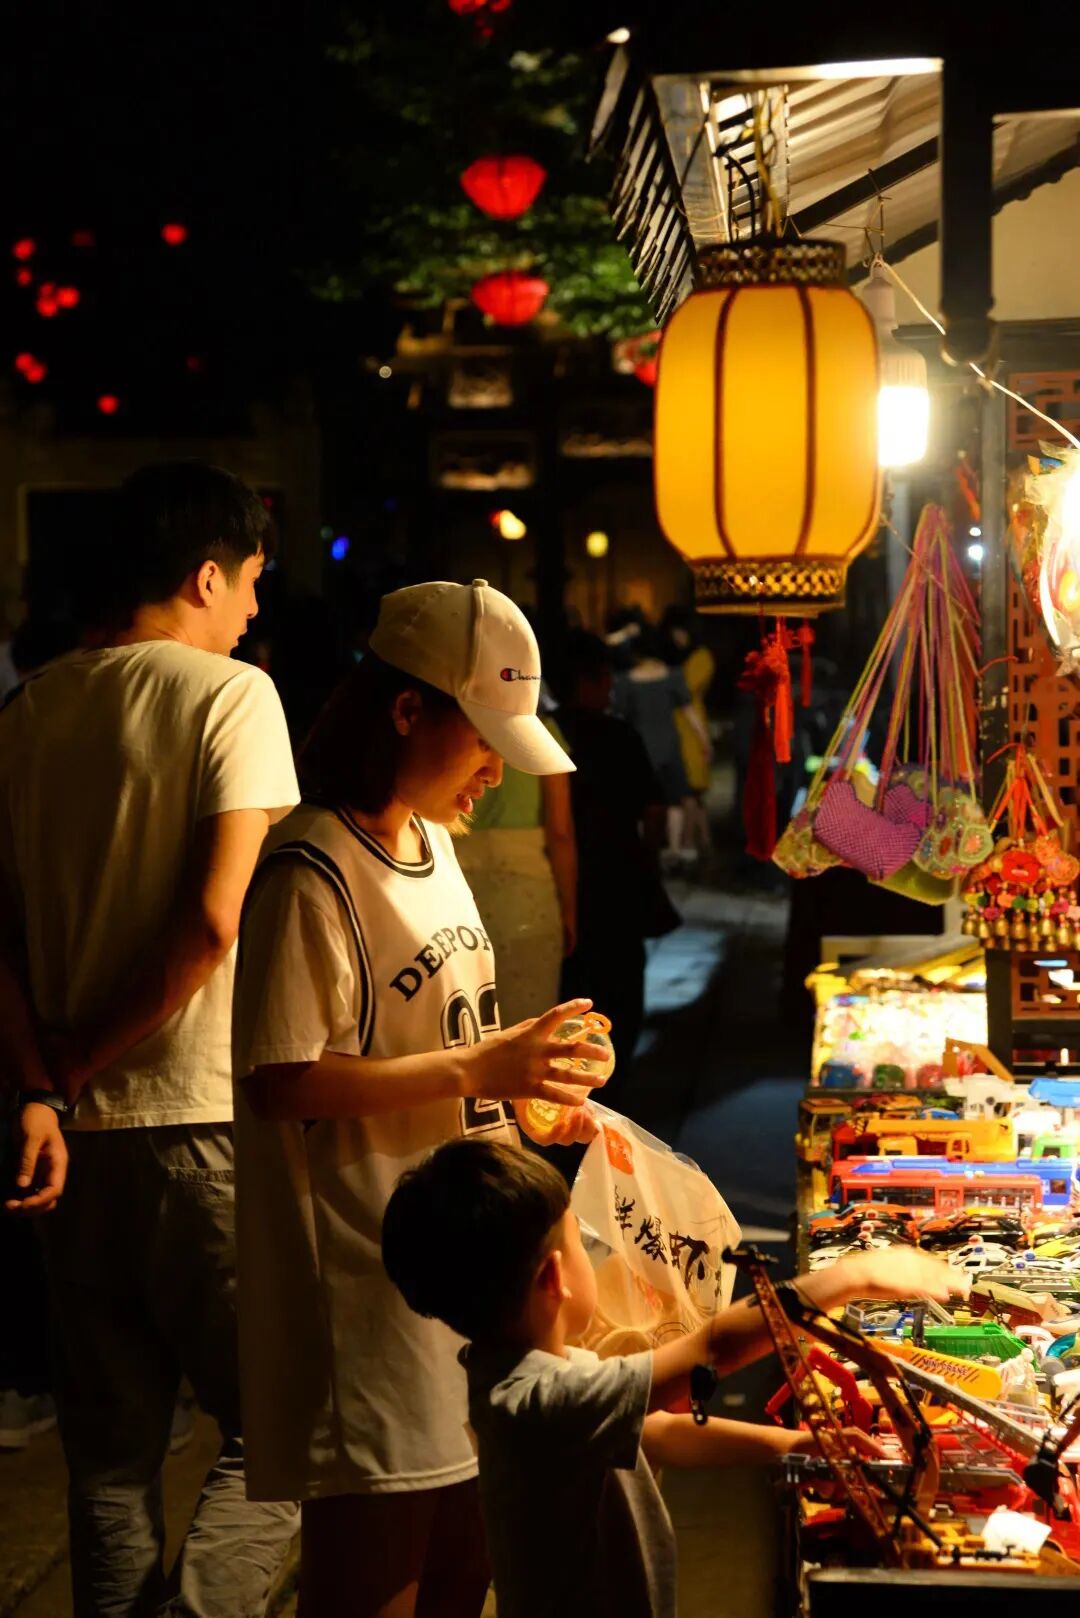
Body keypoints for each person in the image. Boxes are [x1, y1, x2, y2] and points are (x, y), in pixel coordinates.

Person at [231, 578, 606, 1618]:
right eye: (483, 739)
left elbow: (442, 1037)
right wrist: (480, 1070)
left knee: (463, 1572)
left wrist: (528, 1083)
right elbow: (279, 1080)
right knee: (373, 1584)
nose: (496, 769)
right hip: (362, 1286)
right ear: (406, 710)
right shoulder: (310, 868)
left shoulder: (434, 844)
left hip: (462, 1275)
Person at [0, 460, 301, 1617]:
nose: (256, 609)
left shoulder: (30, 709)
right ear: (206, 575)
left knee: (111, 1460)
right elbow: (217, 921)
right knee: (284, 1432)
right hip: (202, 1116)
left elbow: (1, 937)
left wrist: (46, 1086)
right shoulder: (234, 697)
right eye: (253, 580)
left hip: (69, 1145)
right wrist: (76, 1067)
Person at [383, 1139, 966, 1618]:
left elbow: (657, 1432)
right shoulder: (548, 1399)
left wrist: (790, 1445)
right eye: (581, 1241)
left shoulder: (526, 1373)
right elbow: (712, 1348)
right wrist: (853, 1276)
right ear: (555, 1277)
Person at [554, 632, 676, 1085]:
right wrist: (651, 858)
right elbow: (654, 809)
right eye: (605, 678)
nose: (610, 687)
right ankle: (614, 1078)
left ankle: (573, 1075)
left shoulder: (546, 734)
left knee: (572, 984)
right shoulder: (619, 735)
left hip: (564, 880)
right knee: (622, 987)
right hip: (621, 877)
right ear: (588, 681)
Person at [454, 712, 577, 1029]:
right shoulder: (541, 730)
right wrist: (569, 909)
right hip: (527, 894)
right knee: (529, 1021)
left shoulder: (461, 723)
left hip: (458, 887)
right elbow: (560, 833)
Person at [660, 605, 715, 866]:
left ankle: (689, 843)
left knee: (691, 789)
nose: (676, 637)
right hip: (680, 724)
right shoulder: (684, 659)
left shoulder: (701, 657)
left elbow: (685, 690)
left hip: (691, 727)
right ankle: (703, 844)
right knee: (692, 792)